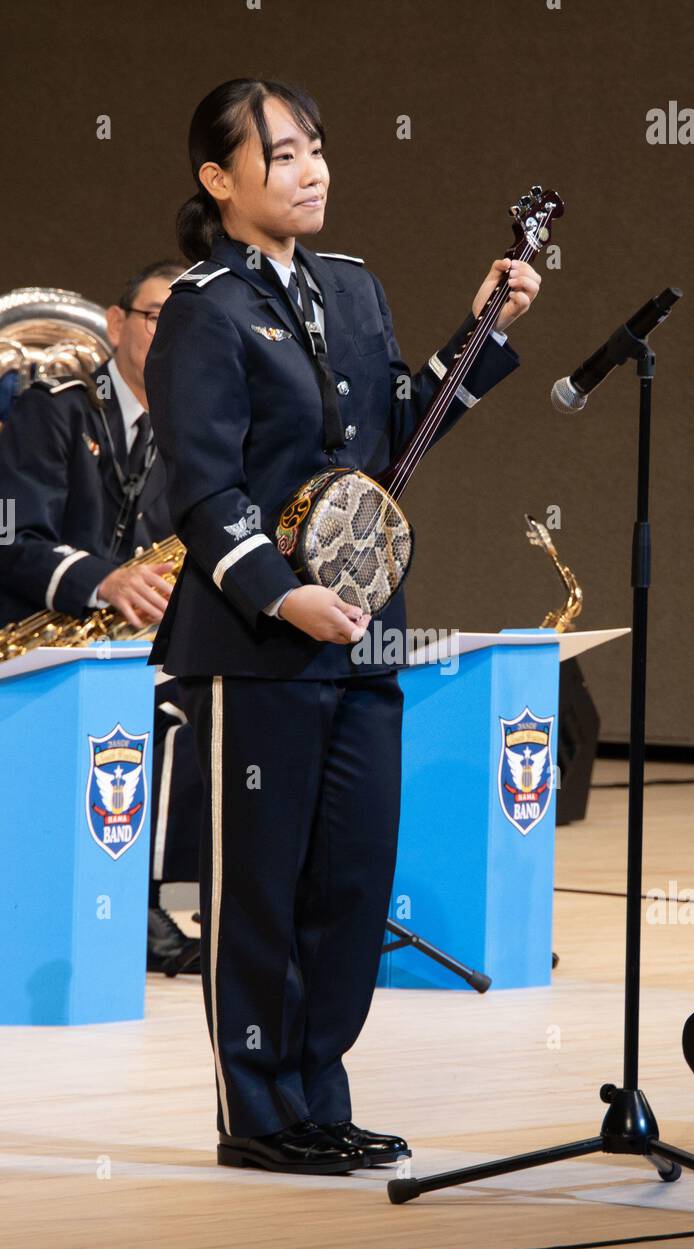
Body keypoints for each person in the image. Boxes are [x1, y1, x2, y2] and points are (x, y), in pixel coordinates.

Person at [144, 76, 541, 1176]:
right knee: (260, 891)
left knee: (351, 880)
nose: (309, 169)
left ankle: (319, 1092)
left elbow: (397, 442)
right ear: (218, 180)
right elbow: (204, 491)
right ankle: (259, 1114)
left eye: (315, 146)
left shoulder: (353, 291)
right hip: (257, 644)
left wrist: (482, 330)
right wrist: (281, 590)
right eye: (280, 155)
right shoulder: (202, 308)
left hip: (365, 632)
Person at [0, 262, 204, 976]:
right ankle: (136, 899)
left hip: (134, 645)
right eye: (158, 318)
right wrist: (103, 581)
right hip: (38, 636)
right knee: (169, 710)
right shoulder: (52, 407)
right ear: (116, 325)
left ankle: (228, 898)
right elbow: (11, 540)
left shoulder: (197, 430)